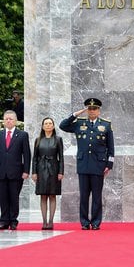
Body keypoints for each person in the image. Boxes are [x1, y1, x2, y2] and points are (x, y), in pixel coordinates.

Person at [59, 98, 114, 230]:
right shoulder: (79, 123)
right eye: (89, 109)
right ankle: (84, 222)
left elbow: (111, 148)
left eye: (94, 109)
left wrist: (109, 165)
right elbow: (63, 126)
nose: (92, 111)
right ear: (86, 110)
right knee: (84, 196)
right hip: (83, 164)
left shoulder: (106, 125)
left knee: (96, 196)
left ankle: (95, 222)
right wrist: (75, 114)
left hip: (98, 165)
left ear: (99, 110)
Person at [0, 110, 31, 230]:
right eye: (6, 119)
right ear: (3, 121)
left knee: (14, 197)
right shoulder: (0, 134)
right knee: (2, 197)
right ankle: (3, 220)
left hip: (16, 172)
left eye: (11, 119)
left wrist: (26, 171)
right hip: (2, 171)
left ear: (16, 121)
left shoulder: (22, 135)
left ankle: (13, 220)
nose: (8, 121)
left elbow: (27, 154)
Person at [31, 117, 64, 230]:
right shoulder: (38, 140)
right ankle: (44, 222)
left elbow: (61, 157)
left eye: (50, 123)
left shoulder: (58, 139)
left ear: (53, 126)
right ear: (43, 126)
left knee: (52, 195)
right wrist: (34, 172)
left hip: (54, 169)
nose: (48, 125)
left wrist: (61, 172)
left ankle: (51, 222)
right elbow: (34, 158)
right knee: (43, 195)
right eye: (46, 123)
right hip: (41, 169)